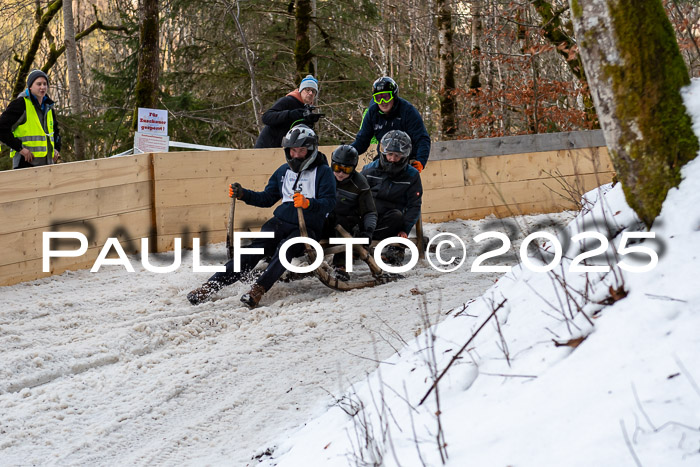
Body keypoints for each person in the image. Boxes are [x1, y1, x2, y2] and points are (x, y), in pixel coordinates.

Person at [188, 125, 336, 308]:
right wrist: (244, 194)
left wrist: (309, 203)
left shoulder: (323, 172)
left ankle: (257, 289)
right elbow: (267, 198)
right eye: (293, 150)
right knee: (253, 251)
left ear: (311, 150)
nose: (296, 155)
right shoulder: (283, 171)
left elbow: (329, 203)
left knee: (285, 249)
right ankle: (210, 286)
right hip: (280, 222)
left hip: (306, 228)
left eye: (302, 151)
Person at [361, 130, 422, 264]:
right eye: (390, 154)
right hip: (369, 217)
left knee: (397, 216)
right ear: (384, 152)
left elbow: (414, 205)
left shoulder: (412, 176)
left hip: (392, 219)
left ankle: (394, 250)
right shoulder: (369, 170)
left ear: (404, 156)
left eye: (397, 155)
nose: (392, 159)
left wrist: (404, 229)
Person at [351, 76, 430, 173]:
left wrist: (420, 161)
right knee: (367, 173)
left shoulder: (408, 111)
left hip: (405, 159)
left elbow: (422, 138)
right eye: (378, 98)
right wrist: (348, 153)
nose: (383, 102)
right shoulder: (372, 112)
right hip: (384, 158)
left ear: (394, 96)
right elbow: (362, 140)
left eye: (386, 97)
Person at [323, 144, 377, 280]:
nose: (341, 173)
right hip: (325, 219)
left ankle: (341, 266)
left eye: (346, 169)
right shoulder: (323, 177)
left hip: (346, 224)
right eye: (337, 168)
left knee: (343, 220)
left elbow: (369, 211)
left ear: (353, 169)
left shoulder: (360, 184)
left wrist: (368, 231)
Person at [0, 70, 61, 169]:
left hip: (47, 165)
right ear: (30, 86)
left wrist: (56, 149)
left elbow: (55, 131)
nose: (42, 87)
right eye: (39, 84)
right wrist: (20, 149)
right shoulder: (20, 104)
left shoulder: (48, 107)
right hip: (24, 163)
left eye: (45, 84)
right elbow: (2, 129)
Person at [254, 74, 323, 148]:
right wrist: (290, 114)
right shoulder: (288, 101)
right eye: (307, 90)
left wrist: (309, 123)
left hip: (287, 150)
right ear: (300, 90)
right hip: (267, 146)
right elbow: (266, 117)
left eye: (313, 91)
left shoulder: (307, 109)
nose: (310, 93)